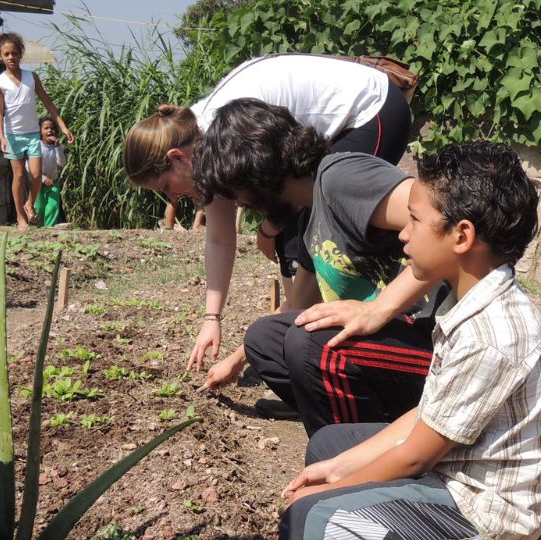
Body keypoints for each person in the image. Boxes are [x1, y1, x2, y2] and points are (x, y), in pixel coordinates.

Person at [278, 141, 541, 540]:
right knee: (329, 448)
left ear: (462, 236)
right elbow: (428, 413)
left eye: (414, 220)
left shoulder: (493, 335)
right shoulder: (469, 298)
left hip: (486, 512)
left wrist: (327, 494)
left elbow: (416, 452)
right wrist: (341, 468)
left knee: (308, 531)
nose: (403, 233)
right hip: (462, 473)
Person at [121, 54, 412, 376]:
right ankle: (299, 350)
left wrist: (270, 228)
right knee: (299, 241)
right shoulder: (203, 150)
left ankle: (349, 353)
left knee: (329, 227)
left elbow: (290, 194)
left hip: (370, 109)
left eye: (166, 187)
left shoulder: (228, 128)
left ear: (178, 158)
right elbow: (219, 238)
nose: (173, 198)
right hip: (324, 136)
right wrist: (211, 320)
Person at [192, 98, 440, 436]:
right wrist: (236, 361)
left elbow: (443, 212)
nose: (239, 202)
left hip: (435, 348)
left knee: (306, 343)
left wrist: (379, 309)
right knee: (264, 338)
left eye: (236, 190)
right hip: (383, 349)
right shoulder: (311, 216)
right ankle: (368, 429)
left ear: (254, 170)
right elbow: (297, 305)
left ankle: (352, 456)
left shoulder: (342, 177)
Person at [0, 32, 73, 231]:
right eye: (7, 54)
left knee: (36, 175)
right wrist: (1, 137)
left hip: (31, 134)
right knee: (19, 176)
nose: (11, 57)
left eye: (15, 53)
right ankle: (21, 217)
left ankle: (29, 203)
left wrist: (62, 126)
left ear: (21, 55)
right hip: (12, 135)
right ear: (0, 56)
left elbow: (48, 103)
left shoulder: (31, 77)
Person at [34, 116, 67, 227]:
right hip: (37, 181)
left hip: (53, 181)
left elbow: (62, 163)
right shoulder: (37, 146)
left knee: (53, 206)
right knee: (39, 207)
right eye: (46, 128)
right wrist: (43, 178)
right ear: (40, 131)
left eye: (52, 128)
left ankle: (49, 228)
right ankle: (38, 227)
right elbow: (29, 166)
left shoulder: (56, 147)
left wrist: (58, 146)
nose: (49, 131)